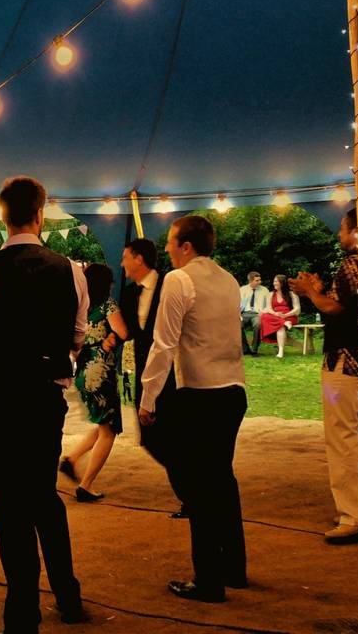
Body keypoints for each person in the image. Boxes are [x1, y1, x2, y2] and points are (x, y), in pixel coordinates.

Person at [0, 176, 88, 631]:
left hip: (4, 402)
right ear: (41, 214)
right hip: (46, 401)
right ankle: (67, 594)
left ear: (3, 215)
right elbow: (77, 337)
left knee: (10, 508)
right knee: (44, 498)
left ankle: (23, 609)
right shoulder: (71, 270)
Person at [139, 215, 247, 603]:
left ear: (186, 246)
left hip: (200, 395)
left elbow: (163, 344)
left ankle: (209, 580)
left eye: (170, 241)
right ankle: (235, 567)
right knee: (223, 480)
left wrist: (148, 398)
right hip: (234, 391)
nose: (166, 248)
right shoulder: (230, 280)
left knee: (200, 488)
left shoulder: (178, 280)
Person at [290, 208, 358, 543]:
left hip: (344, 365)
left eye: (342, 228)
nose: (339, 234)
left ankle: (355, 514)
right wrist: (320, 291)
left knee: (342, 439)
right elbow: (343, 305)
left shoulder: (354, 263)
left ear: (355, 231)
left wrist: (309, 292)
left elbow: (337, 309)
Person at [100, 238, 184, 519]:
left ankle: (190, 497)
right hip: (145, 370)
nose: (122, 263)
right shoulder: (128, 293)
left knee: (174, 431)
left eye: (125, 258)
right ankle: (190, 483)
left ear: (139, 259)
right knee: (149, 437)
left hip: (176, 370)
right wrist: (112, 337)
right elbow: (131, 330)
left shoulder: (171, 284)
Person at [59, 263, 121, 502]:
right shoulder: (108, 305)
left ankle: (71, 459)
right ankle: (86, 484)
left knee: (103, 424)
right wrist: (113, 336)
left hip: (84, 371)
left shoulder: (80, 307)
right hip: (101, 372)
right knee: (110, 430)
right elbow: (123, 329)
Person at [259, 275, 301, 358]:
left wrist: (285, 315)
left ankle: (280, 351)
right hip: (276, 316)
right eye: (274, 281)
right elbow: (268, 308)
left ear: (282, 283)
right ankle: (284, 323)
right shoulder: (271, 294)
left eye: (276, 281)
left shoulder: (292, 294)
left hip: (289, 316)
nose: (274, 283)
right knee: (264, 315)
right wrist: (275, 314)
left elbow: (297, 309)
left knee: (280, 326)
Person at [239, 271, 270, 355]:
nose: (260, 282)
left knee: (258, 324)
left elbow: (268, 305)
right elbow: (238, 304)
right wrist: (239, 315)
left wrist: (263, 312)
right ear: (250, 281)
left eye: (260, 280)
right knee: (237, 324)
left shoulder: (264, 290)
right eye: (257, 280)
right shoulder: (242, 290)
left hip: (258, 314)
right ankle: (245, 349)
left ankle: (254, 349)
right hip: (244, 313)